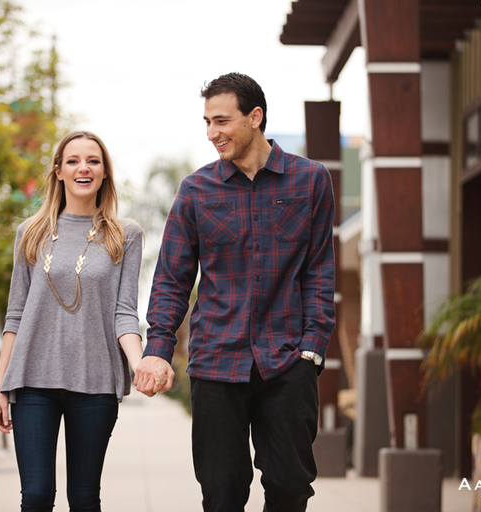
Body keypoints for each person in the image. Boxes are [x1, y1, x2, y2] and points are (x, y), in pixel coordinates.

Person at [134, 72, 336, 512]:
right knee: (221, 494)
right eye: (207, 122)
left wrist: (312, 351)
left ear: (255, 117)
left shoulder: (310, 181)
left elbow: (320, 271)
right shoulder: (196, 191)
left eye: (222, 120)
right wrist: (158, 349)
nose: (212, 133)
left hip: (287, 362)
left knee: (290, 488)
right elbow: (172, 277)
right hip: (216, 363)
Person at [0, 131, 144, 512]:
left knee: (84, 497)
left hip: (94, 381)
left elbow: (124, 312)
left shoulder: (125, 235)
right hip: (31, 381)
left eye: (93, 160)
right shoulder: (31, 232)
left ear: (105, 172)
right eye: (73, 160)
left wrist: (141, 365)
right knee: (38, 495)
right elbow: (16, 313)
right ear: (58, 171)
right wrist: (0, 387)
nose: (83, 168)